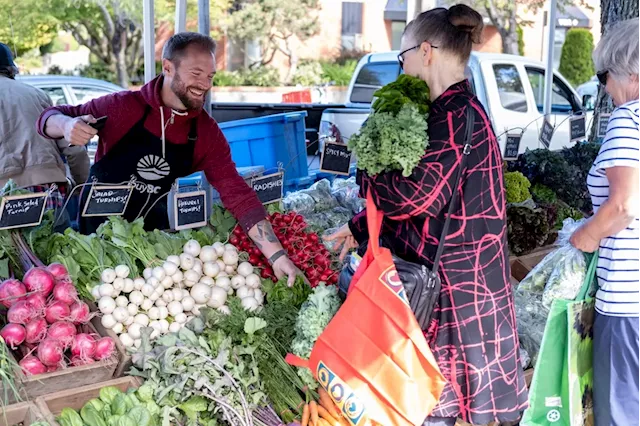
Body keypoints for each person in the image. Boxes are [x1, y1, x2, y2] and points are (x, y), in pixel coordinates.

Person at [325, 5, 527, 426]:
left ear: (426, 52)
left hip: (455, 290)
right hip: (468, 282)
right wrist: (358, 226)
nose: (402, 67)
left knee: (435, 411)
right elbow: (436, 202)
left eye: (403, 57)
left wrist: (367, 166)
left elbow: (415, 200)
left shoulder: (451, 117)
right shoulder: (463, 111)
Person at [37, 32, 301, 286]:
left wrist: (277, 256)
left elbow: (238, 194)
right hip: (95, 240)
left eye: (210, 76)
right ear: (168, 67)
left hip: (152, 245)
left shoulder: (206, 133)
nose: (205, 85)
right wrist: (66, 124)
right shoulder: (122, 107)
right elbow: (49, 116)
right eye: (196, 74)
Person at [569, 17, 640, 426]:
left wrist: (584, 236)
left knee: (620, 413)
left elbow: (624, 205)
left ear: (630, 72)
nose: (604, 87)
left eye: (604, 75)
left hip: (626, 299)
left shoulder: (627, 120)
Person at [0, 42, 89, 231]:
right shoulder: (36, 94)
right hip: (46, 190)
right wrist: (82, 184)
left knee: (9, 259)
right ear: (11, 69)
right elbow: (73, 145)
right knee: (56, 254)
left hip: (2, 197)